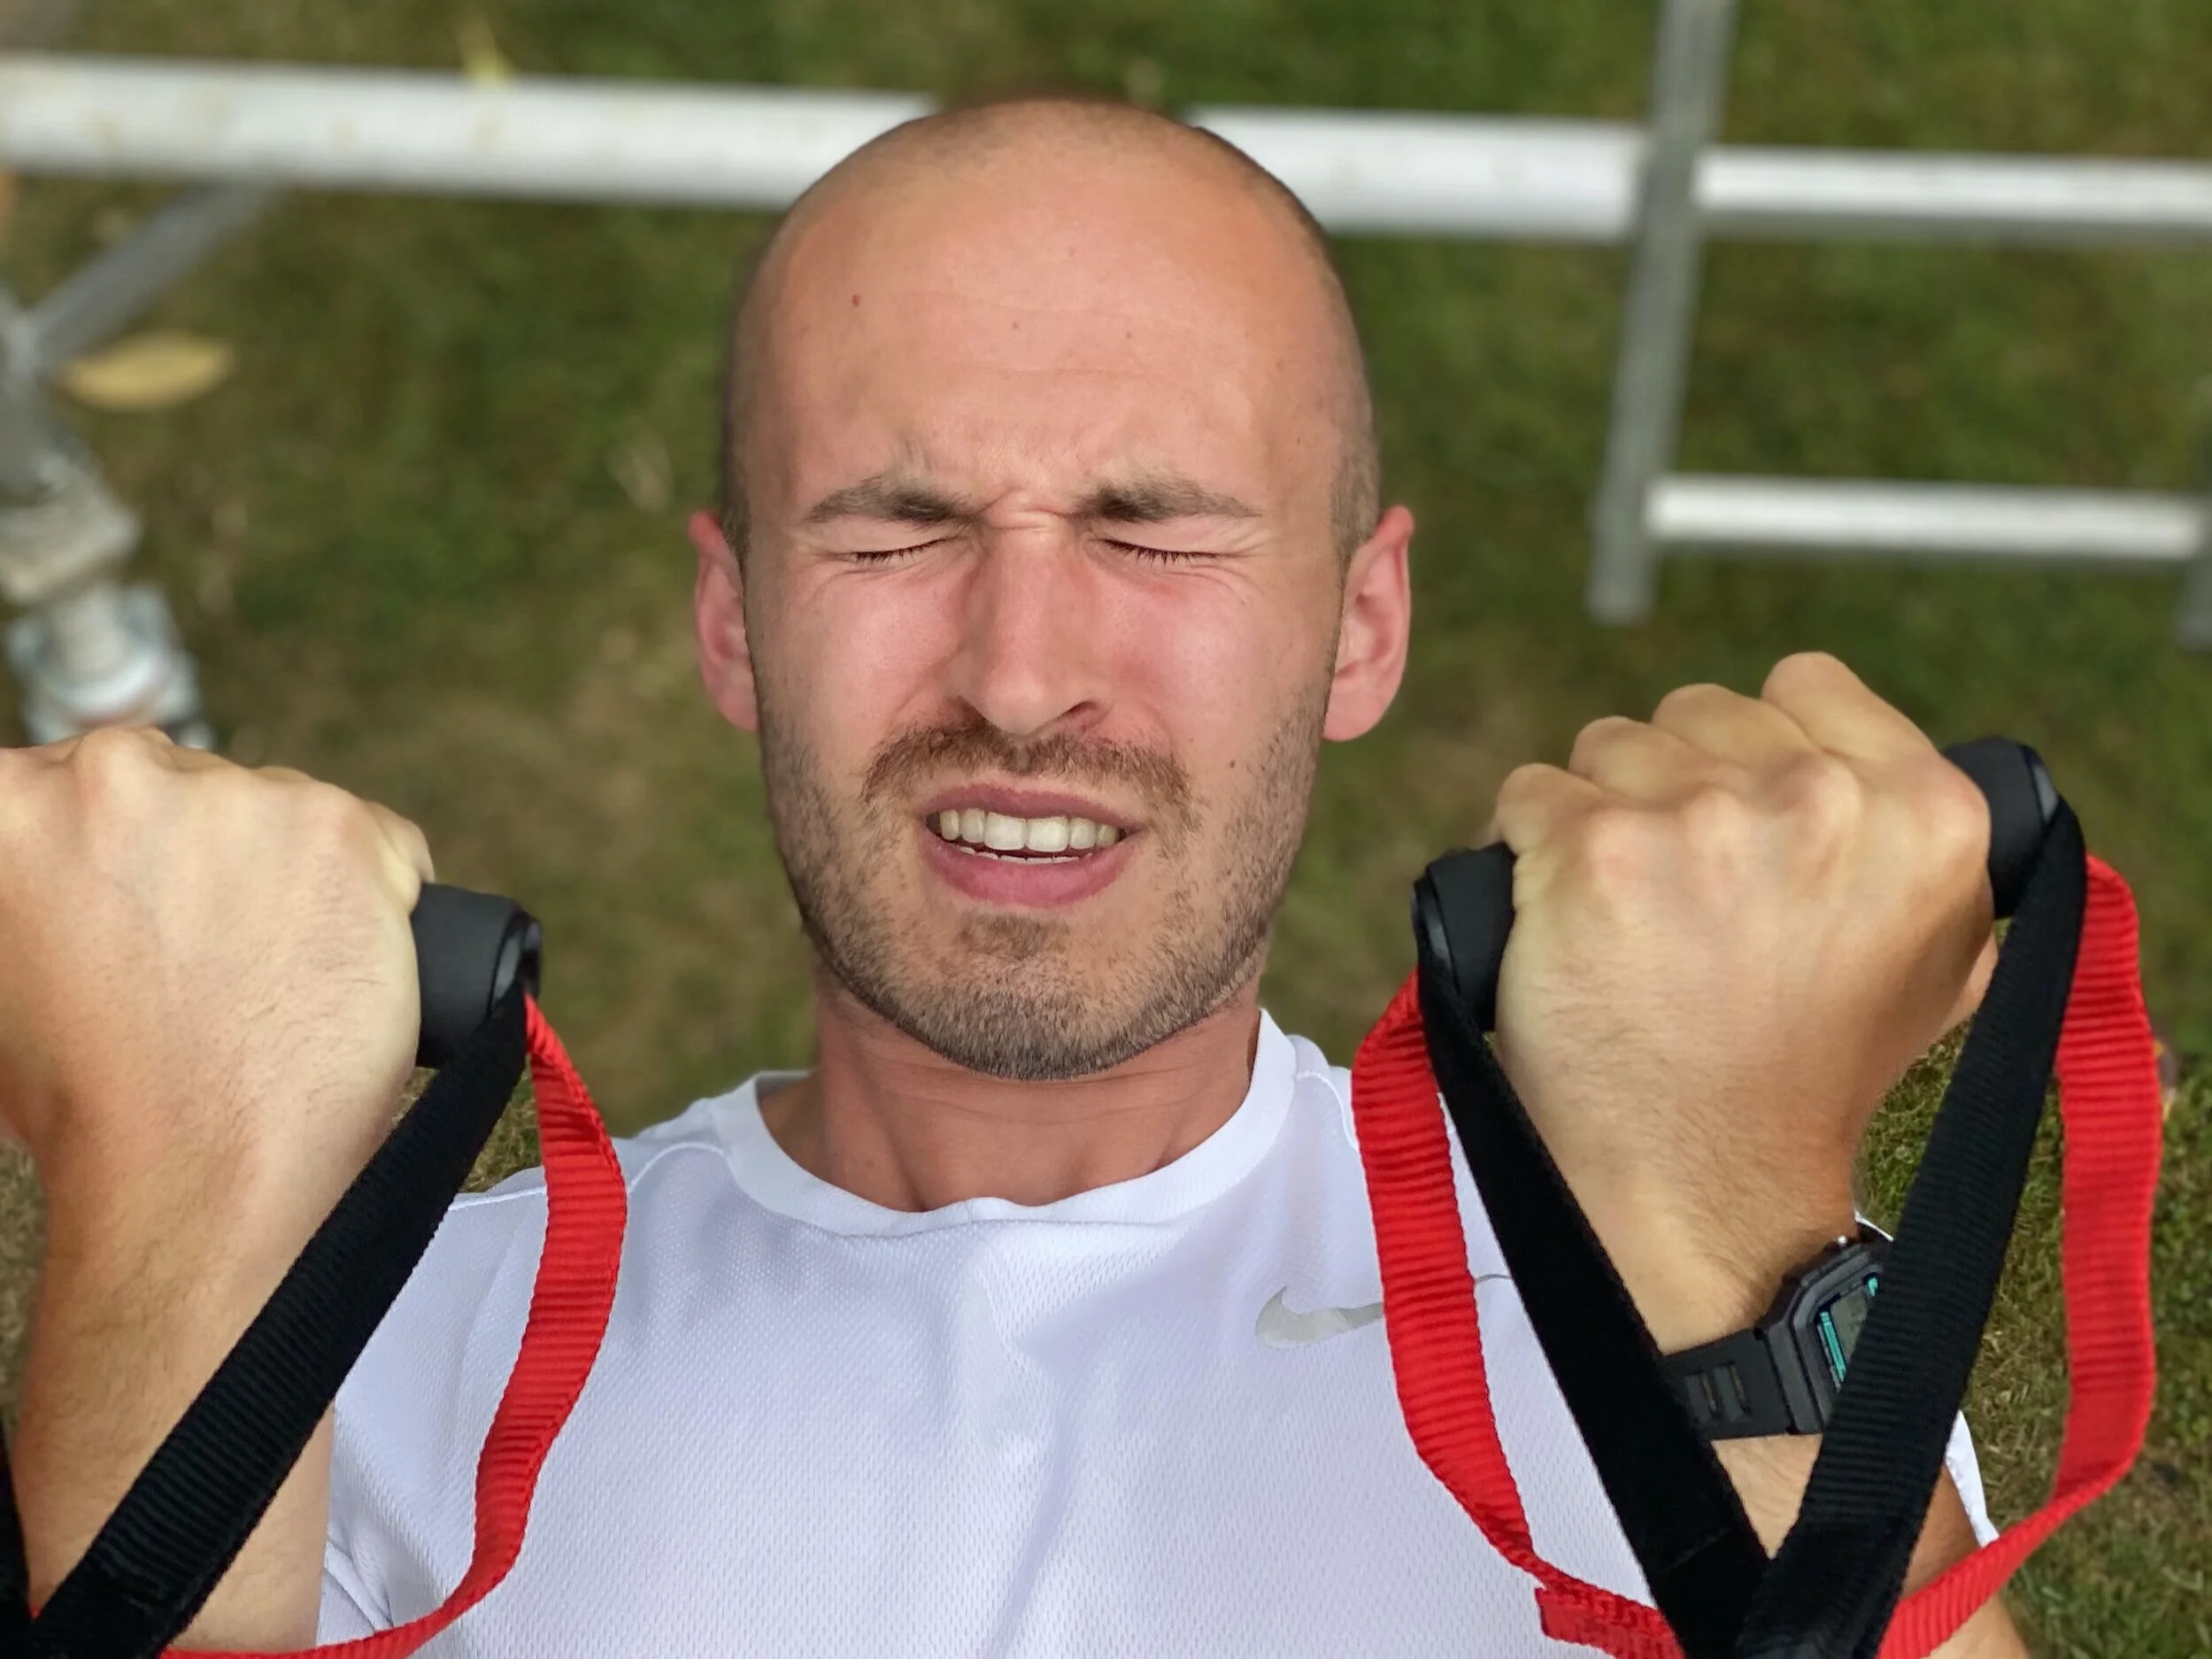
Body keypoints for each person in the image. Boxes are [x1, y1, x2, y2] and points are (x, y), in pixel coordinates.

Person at [1, 96, 2026, 1655]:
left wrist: (1730, 1248)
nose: (1021, 674)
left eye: (1154, 529)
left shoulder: (1689, 1309)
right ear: (733, 623)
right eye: (892, 530)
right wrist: (185, 1185)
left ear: (1358, 624)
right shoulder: (361, 1358)